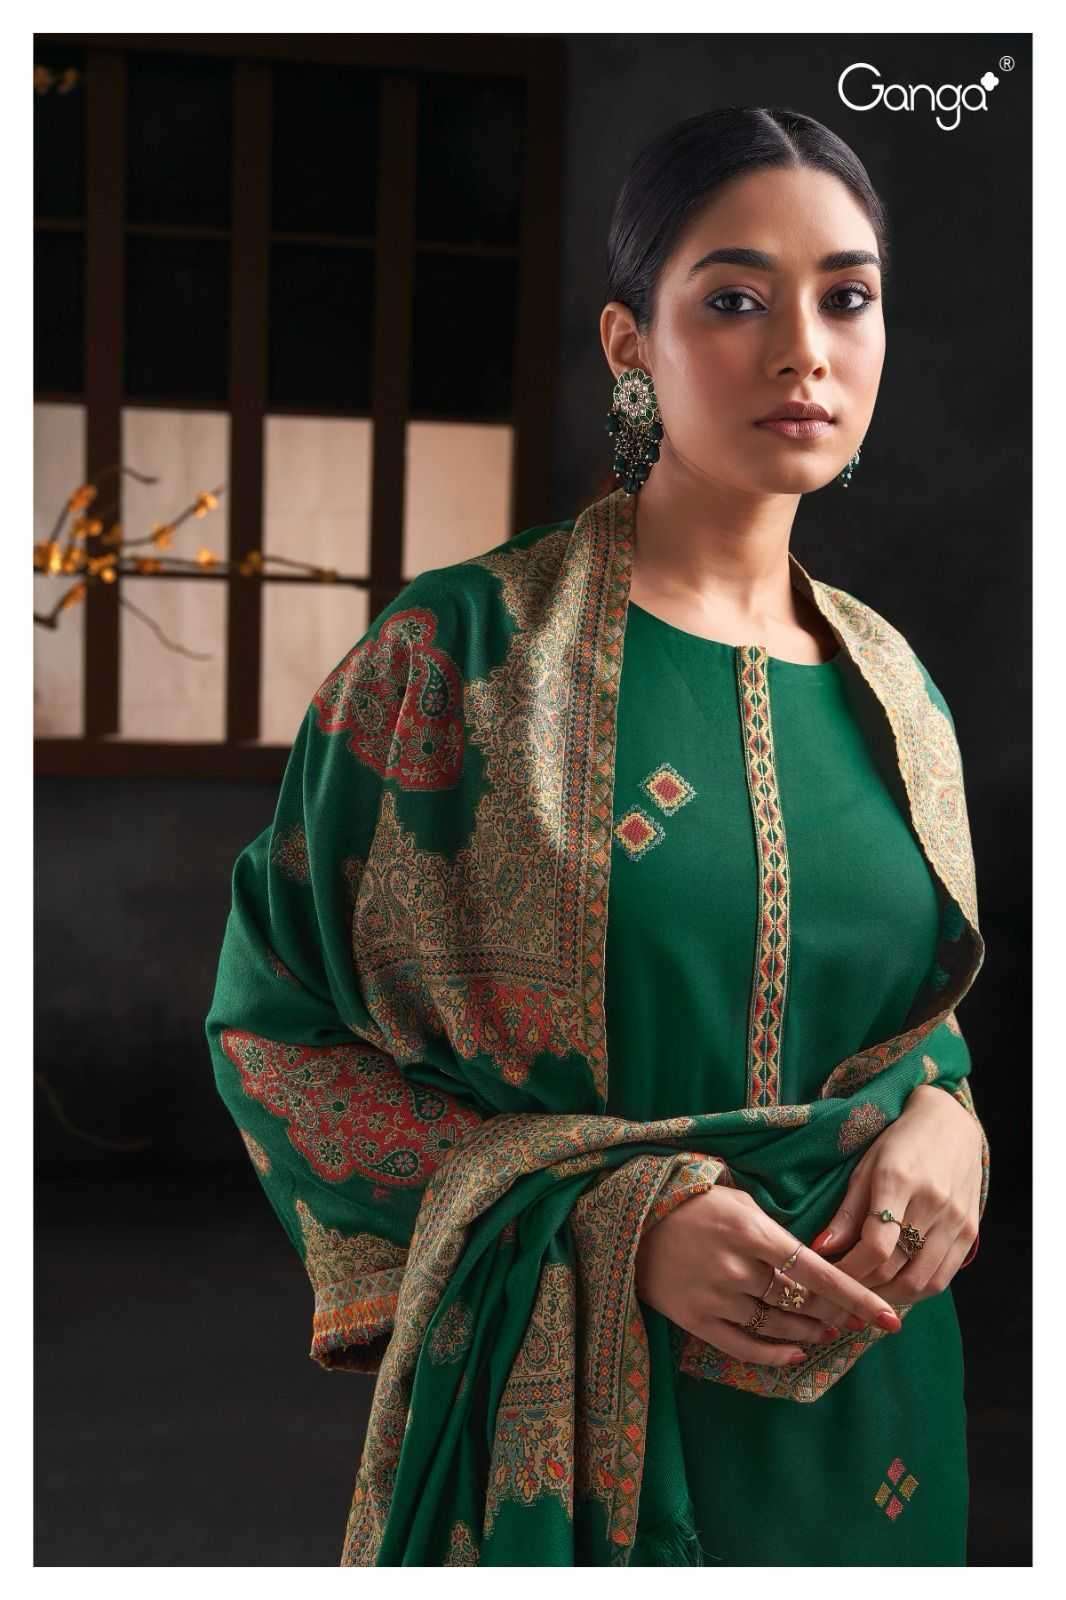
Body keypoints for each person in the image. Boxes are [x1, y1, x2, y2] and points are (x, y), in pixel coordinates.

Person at [205, 106, 989, 1567]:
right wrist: (614, 1218)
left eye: (847, 298)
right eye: (735, 300)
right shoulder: (462, 653)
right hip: (570, 1418)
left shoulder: (898, 689)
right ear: (631, 342)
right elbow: (278, 1034)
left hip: (869, 1406)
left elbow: (906, 1020)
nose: (803, 351)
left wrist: (954, 1118)